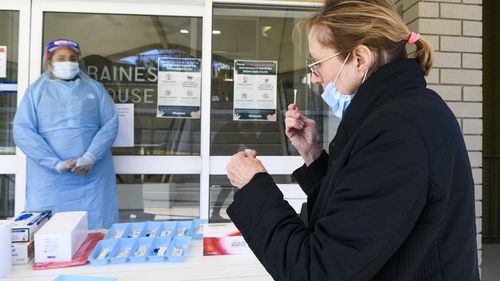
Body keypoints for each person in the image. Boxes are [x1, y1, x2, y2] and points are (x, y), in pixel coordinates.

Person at [225, 1, 480, 280]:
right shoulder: (398, 113)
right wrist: (313, 157)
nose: (313, 77)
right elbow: (358, 215)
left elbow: (319, 269)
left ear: (359, 58)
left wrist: (253, 186)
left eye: (317, 63)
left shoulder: (397, 131)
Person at [13, 39, 119, 229]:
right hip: (50, 179)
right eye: (61, 58)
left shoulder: (95, 89)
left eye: (72, 58)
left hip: (91, 177)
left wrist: (90, 156)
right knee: (50, 234)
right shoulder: (35, 92)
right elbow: (23, 131)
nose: (67, 62)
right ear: (49, 62)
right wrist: (54, 163)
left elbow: (110, 124)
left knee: (95, 231)